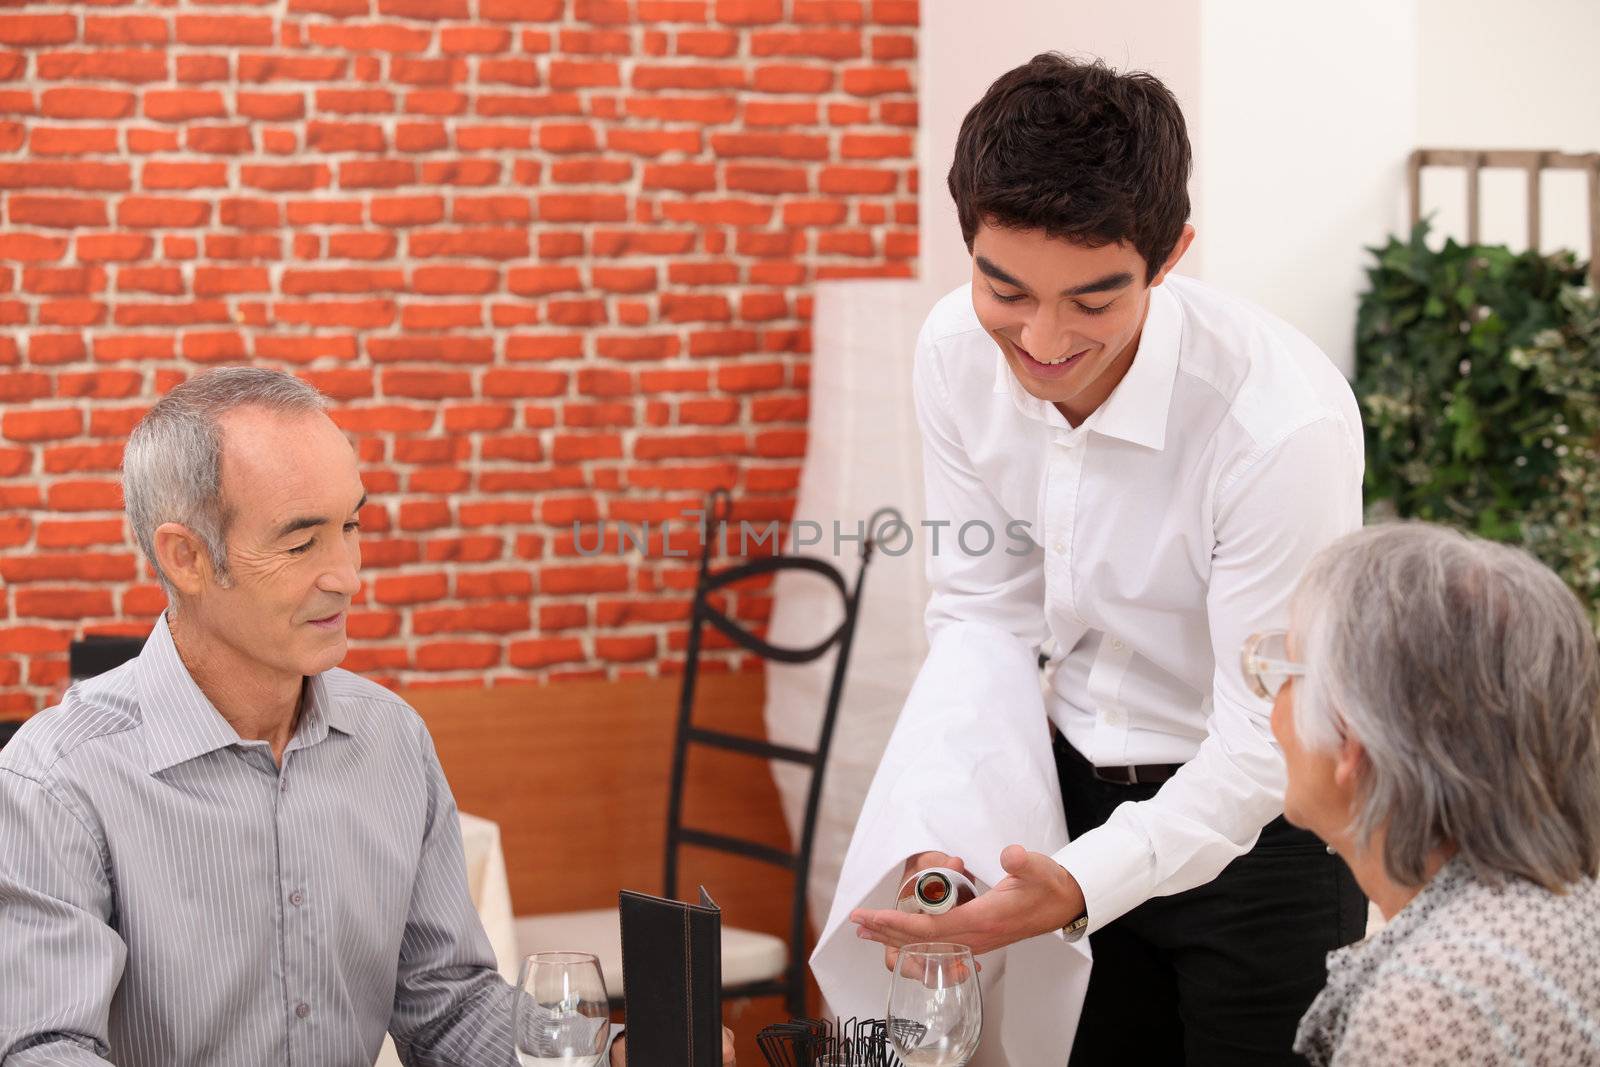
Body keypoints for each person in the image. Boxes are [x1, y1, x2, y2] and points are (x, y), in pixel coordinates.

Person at [845, 53, 1368, 1062]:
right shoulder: (955, 351)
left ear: (1168, 254)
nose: (1041, 338)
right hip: (1068, 797)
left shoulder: (1275, 424)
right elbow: (982, 613)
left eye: (1093, 299)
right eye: (1006, 288)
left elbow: (1266, 733)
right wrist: (939, 814)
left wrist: (1089, 878)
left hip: (1265, 834)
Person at [0, 368, 734, 1067]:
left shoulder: (391, 739)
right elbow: (42, 1047)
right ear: (187, 557)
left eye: (351, 525)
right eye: (300, 541)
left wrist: (600, 1056)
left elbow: (447, 1005)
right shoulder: (56, 781)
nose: (348, 575)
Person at [1258, 522, 1600, 1065]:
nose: (1270, 705)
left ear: (1352, 738)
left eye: (1285, 674)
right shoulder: (1568, 905)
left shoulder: (1429, 1011)